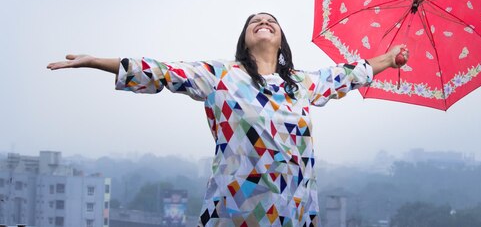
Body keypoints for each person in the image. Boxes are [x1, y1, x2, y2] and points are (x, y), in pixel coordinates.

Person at [47, 12, 408, 227]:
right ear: (245, 40)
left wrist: (389, 59)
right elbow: (161, 71)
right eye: (255, 21)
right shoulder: (221, 76)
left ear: (282, 43)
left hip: (292, 210)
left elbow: (349, 73)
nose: (264, 22)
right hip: (235, 210)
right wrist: (95, 61)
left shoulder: (302, 84)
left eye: (271, 21)